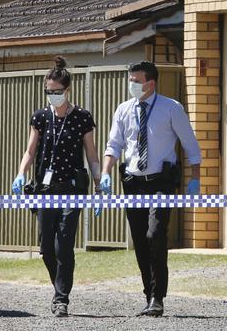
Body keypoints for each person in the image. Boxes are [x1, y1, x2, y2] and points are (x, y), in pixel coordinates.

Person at [100, 61, 201, 317]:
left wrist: (195, 177)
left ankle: (158, 296)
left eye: (136, 81)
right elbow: (113, 144)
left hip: (161, 182)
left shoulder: (171, 108)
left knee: (155, 234)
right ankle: (149, 295)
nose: (131, 85)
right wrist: (105, 174)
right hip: (133, 182)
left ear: (151, 83)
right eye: (130, 80)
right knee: (140, 241)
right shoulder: (123, 110)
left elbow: (190, 143)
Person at [11, 56, 100, 317]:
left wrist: (98, 184)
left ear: (67, 90)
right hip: (45, 190)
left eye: (57, 92)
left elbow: (92, 155)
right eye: (49, 92)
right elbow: (30, 151)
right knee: (46, 249)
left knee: (64, 245)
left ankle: (62, 299)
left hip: (72, 188)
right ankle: (59, 288)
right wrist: (20, 174)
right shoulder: (40, 117)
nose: (53, 96)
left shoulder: (82, 117)